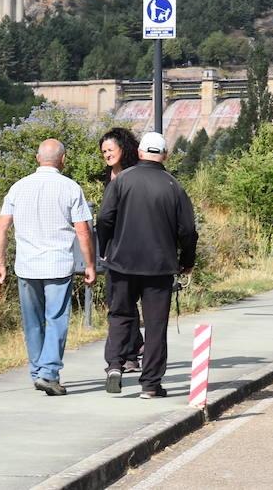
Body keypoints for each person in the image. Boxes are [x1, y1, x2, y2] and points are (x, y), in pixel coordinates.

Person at [97, 131, 198, 399]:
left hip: (121, 264)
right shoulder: (173, 186)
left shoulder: (122, 181)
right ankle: (150, 384)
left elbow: (104, 218)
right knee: (155, 325)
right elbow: (187, 230)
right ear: (164, 155)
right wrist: (187, 261)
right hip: (159, 267)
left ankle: (114, 367)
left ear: (140, 152)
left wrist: (104, 249)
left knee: (120, 315)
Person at [0, 139, 96, 397]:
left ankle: (38, 372)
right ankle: (48, 373)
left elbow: (1, 227)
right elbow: (83, 230)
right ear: (63, 159)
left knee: (32, 323)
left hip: (27, 266)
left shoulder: (18, 187)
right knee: (56, 320)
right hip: (58, 265)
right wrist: (90, 264)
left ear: (38, 159)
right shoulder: (71, 188)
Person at [99, 126, 145, 374]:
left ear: (123, 148)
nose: (106, 154)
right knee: (120, 302)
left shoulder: (134, 174)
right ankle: (134, 348)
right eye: (104, 151)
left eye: (110, 149)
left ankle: (130, 352)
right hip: (115, 248)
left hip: (133, 246)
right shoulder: (110, 176)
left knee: (123, 303)